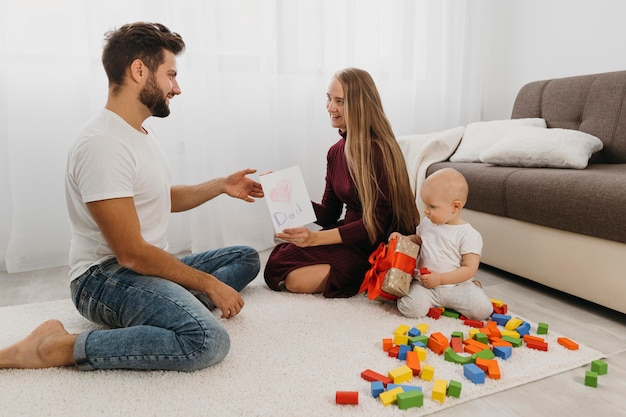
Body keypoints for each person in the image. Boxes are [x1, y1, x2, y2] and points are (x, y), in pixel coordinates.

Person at [0, 22, 263, 372]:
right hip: (103, 278)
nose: (177, 87)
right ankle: (58, 346)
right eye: (171, 74)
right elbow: (132, 253)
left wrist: (220, 185)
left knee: (245, 258)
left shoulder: (137, 133)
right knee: (206, 340)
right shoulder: (102, 144)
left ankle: (166, 307)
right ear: (139, 70)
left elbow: (155, 198)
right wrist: (208, 285)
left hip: (142, 269)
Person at [264, 68, 420, 298]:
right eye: (328, 98)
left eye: (340, 101)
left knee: (295, 279)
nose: (330, 108)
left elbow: (374, 225)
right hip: (348, 233)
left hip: (374, 244)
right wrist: (280, 191)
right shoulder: (335, 152)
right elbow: (328, 214)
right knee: (278, 260)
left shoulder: (378, 151)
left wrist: (315, 239)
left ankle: (370, 272)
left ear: (360, 105)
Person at [390, 167, 493, 320]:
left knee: (483, 311)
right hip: (424, 285)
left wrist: (441, 279)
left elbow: (469, 268)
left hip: (456, 287)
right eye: (425, 205)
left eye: (432, 206)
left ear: (455, 207)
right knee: (410, 309)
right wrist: (402, 239)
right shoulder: (427, 224)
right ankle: (423, 298)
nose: (426, 211)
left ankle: (473, 288)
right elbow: (417, 241)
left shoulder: (468, 234)